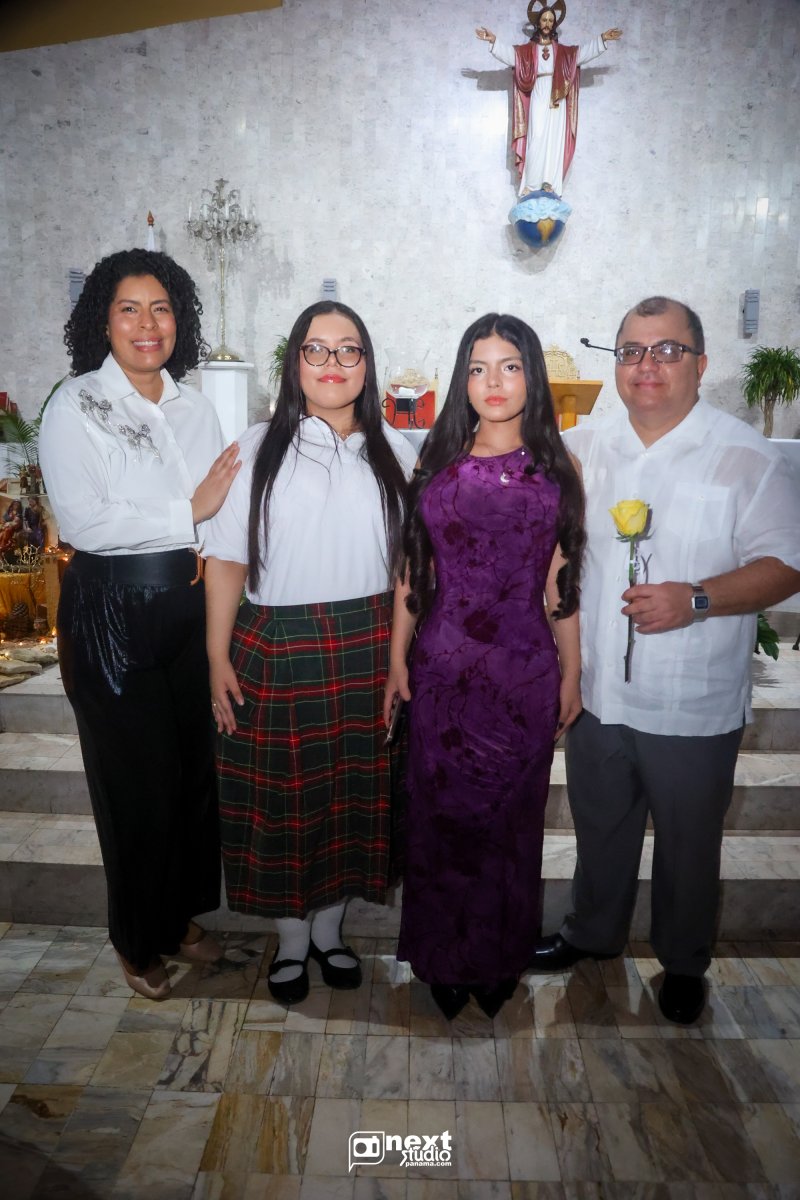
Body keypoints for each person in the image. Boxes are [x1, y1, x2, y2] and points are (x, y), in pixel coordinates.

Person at [530, 296, 800, 1024]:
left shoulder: (745, 456)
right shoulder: (583, 448)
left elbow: (786, 564)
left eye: (667, 350)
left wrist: (698, 598)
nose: (646, 365)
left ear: (700, 364)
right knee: (600, 828)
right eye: (631, 351)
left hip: (692, 699)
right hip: (598, 693)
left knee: (689, 843)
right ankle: (592, 934)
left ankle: (683, 961)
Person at [39, 248, 240, 1001]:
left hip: (187, 606)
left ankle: (177, 918)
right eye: (129, 308)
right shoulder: (76, 404)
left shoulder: (196, 408)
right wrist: (188, 510)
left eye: (161, 308)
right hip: (110, 612)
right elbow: (85, 521)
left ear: (178, 321)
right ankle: (134, 936)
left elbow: (221, 515)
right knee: (136, 785)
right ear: (104, 320)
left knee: (191, 778)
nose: (147, 323)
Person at [204, 301, 417, 1005]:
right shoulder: (257, 446)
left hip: (367, 644)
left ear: (366, 364)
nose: (332, 363)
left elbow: (407, 573)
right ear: (295, 361)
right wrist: (217, 656)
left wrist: (397, 659)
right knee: (286, 801)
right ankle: (292, 942)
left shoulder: (397, 454)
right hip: (278, 645)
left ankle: (330, 932)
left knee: (352, 797)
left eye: (348, 349)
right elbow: (227, 559)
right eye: (316, 349)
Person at [384, 313, 584, 1020]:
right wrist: (396, 657)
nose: (493, 382)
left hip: (522, 674)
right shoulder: (436, 461)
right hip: (443, 669)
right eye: (478, 367)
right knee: (441, 820)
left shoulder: (557, 467)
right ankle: (442, 960)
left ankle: (499, 958)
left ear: (532, 376)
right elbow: (414, 567)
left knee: (510, 824)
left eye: (508, 366)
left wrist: (572, 671)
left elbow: (561, 580)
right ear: (461, 380)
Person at [476, 5, 621, 198]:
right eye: (544, 20)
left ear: (554, 24)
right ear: (538, 23)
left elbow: (583, 53)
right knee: (536, 136)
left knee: (554, 139)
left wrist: (602, 39)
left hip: (558, 96)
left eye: (550, 21)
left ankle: (548, 182)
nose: (547, 24)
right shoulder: (528, 51)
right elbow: (512, 56)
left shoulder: (564, 53)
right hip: (539, 92)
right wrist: (494, 41)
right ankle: (531, 183)